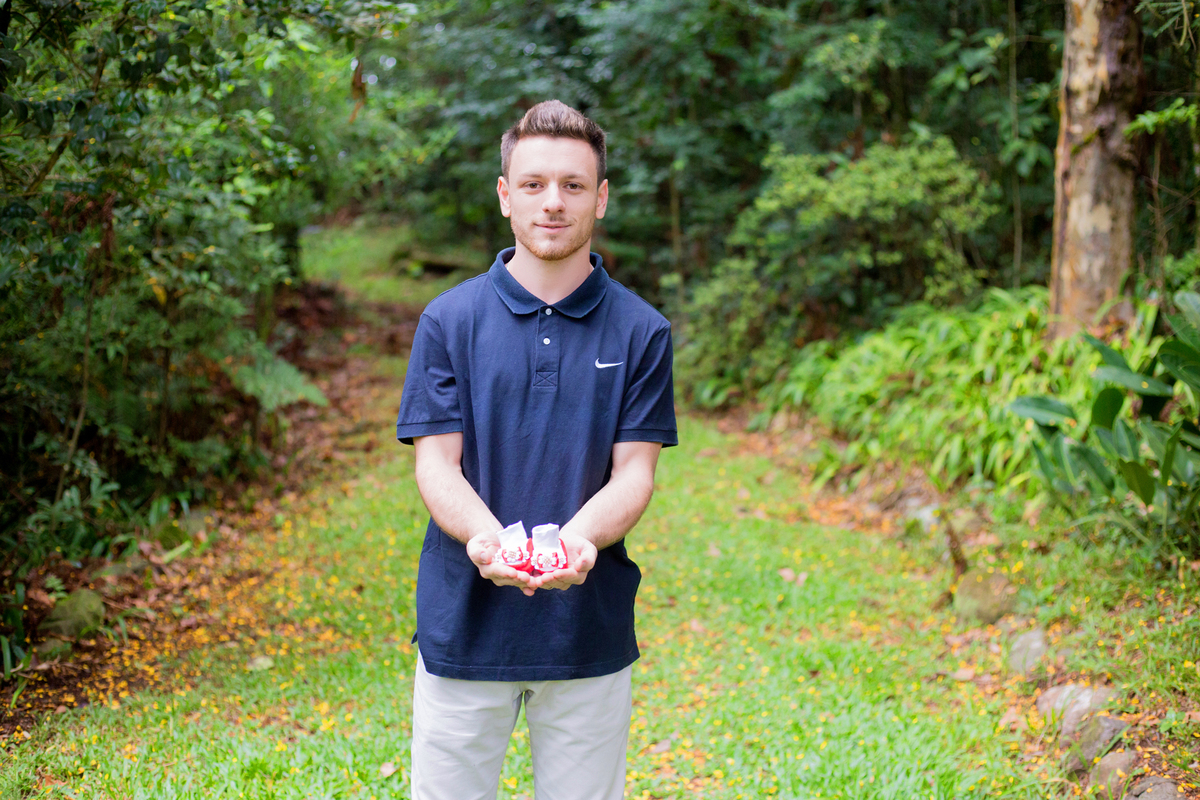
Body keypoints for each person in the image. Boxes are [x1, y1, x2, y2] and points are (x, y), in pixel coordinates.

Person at [395, 99, 677, 800]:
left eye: (574, 185)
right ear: (504, 196)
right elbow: (436, 462)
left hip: (587, 632)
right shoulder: (448, 320)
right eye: (533, 184)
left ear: (601, 198)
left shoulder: (643, 331)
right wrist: (490, 541)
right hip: (462, 624)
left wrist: (579, 541)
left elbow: (634, 473)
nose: (553, 203)